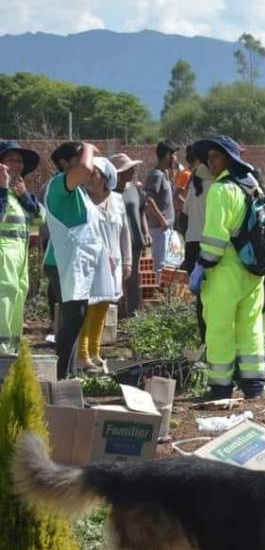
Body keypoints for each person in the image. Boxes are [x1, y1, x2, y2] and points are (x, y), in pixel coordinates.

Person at [189, 135, 265, 400]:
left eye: (215, 157)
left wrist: (200, 267)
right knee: (250, 325)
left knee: (219, 327)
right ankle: (253, 384)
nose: (210, 162)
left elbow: (214, 240)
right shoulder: (254, 186)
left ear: (228, 159)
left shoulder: (221, 190)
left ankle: (221, 387)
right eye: (208, 158)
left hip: (225, 271)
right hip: (254, 271)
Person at [43, 141, 108, 378]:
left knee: (76, 318)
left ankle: (67, 373)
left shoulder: (77, 191)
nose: (87, 163)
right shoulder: (60, 184)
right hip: (62, 263)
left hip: (71, 264)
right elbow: (83, 170)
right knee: (73, 319)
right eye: (79, 157)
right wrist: (88, 147)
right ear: (64, 163)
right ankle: (62, 375)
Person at [77, 157, 129, 370]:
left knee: (103, 305)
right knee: (88, 306)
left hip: (114, 261)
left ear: (105, 177)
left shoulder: (117, 200)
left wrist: (128, 261)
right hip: (91, 260)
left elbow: (125, 232)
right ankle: (81, 353)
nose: (89, 177)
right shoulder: (81, 199)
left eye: (94, 173)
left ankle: (95, 351)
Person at [0, 140, 42, 354]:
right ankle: (2, 347)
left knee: (17, 296)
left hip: (20, 255)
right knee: (4, 297)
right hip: (3, 253)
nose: (16, 165)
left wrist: (24, 195)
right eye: (10, 160)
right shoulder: (2, 192)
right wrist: (2, 188)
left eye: (19, 161)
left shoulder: (21, 193)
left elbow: (38, 217)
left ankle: (11, 346)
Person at [110, 153, 149, 318]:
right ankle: (116, 313)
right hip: (117, 241)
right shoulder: (110, 192)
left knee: (133, 279)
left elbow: (141, 212)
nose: (133, 171)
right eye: (129, 169)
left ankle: (132, 315)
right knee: (116, 278)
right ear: (119, 173)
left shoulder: (135, 189)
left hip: (136, 241)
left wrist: (146, 232)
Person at [180, 150, 213, 341]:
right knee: (213, 294)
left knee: (200, 297)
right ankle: (212, 337)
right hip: (210, 245)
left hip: (192, 244)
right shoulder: (216, 187)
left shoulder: (194, 185)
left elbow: (185, 211)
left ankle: (204, 337)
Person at [144, 140, 178, 282]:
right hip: (159, 229)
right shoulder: (156, 175)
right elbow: (149, 199)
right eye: (174, 155)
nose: (176, 158)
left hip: (166, 229)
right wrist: (161, 219)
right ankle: (158, 300)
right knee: (160, 266)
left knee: (167, 264)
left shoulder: (164, 174)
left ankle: (163, 298)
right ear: (168, 155)